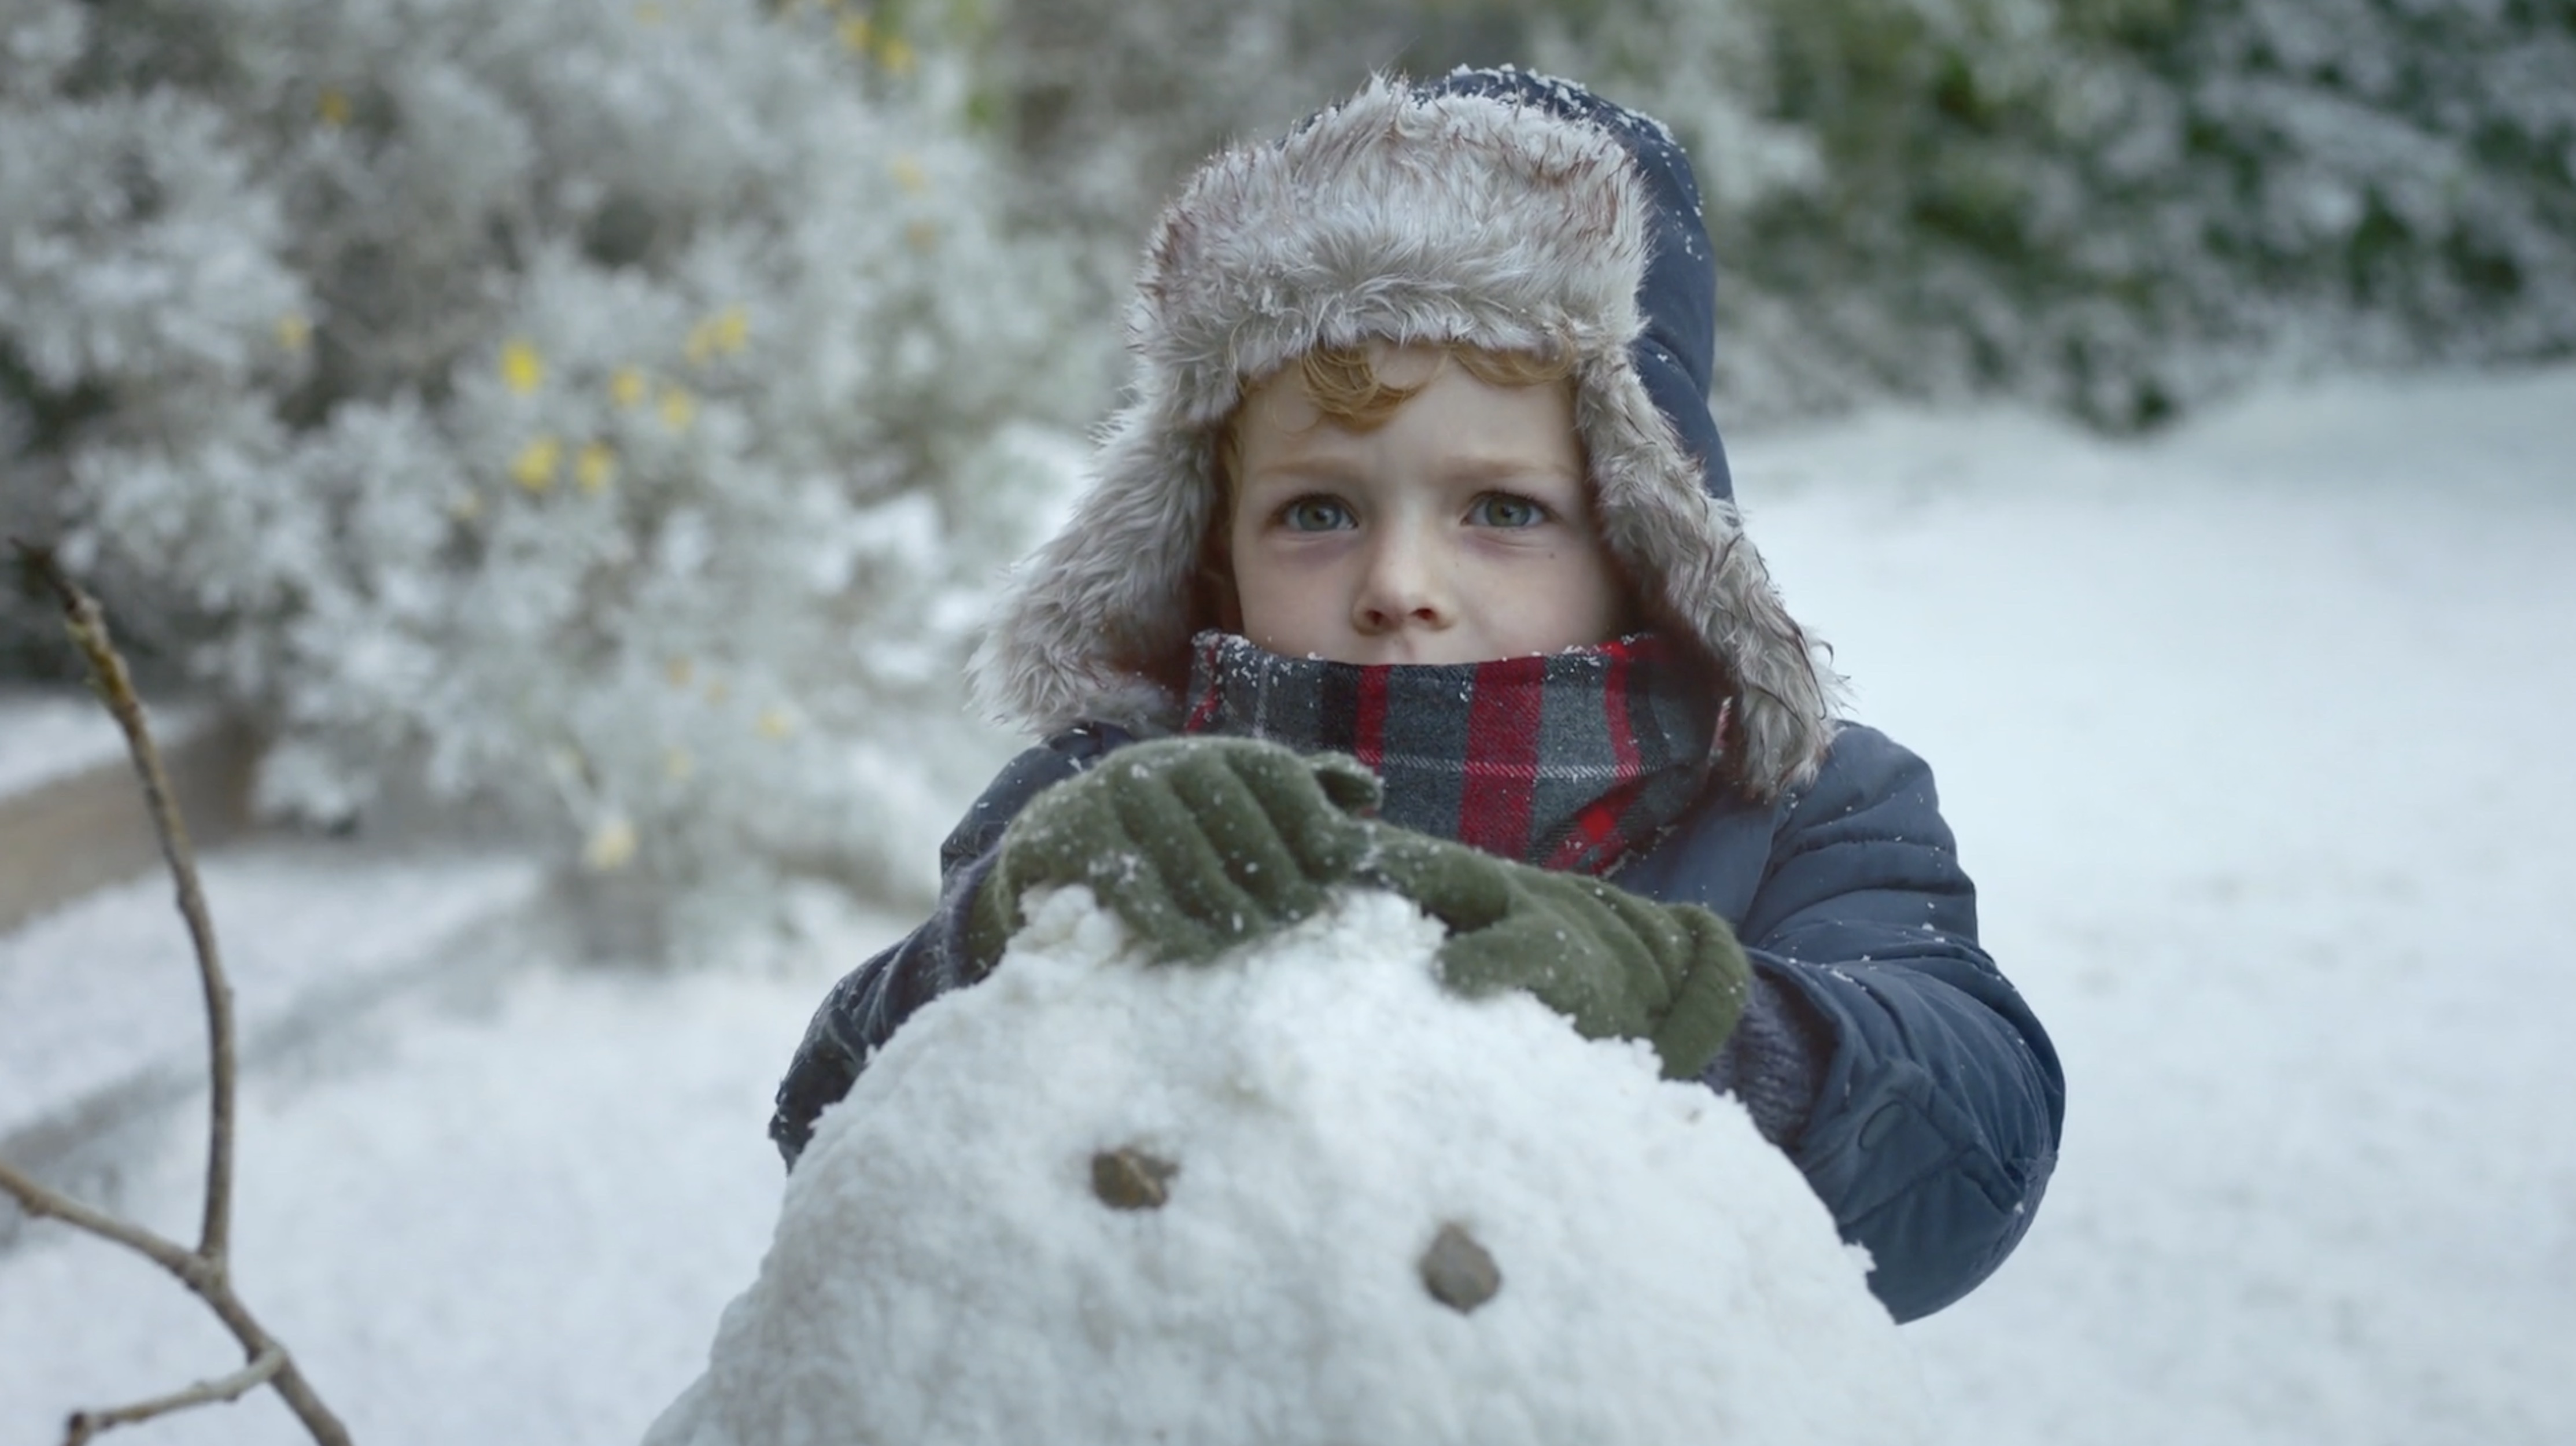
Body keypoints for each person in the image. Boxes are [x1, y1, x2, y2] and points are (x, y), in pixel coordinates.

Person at [770, 68, 2064, 1323]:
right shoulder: (1107, 793)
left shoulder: (1790, 809)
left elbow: (1970, 1150)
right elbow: (837, 1132)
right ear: (1214, 545)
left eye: (1501, 509)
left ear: (1645, 540)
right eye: (1317, 512)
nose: (1398, 584)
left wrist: (1693, 1010)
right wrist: (1017, 923)